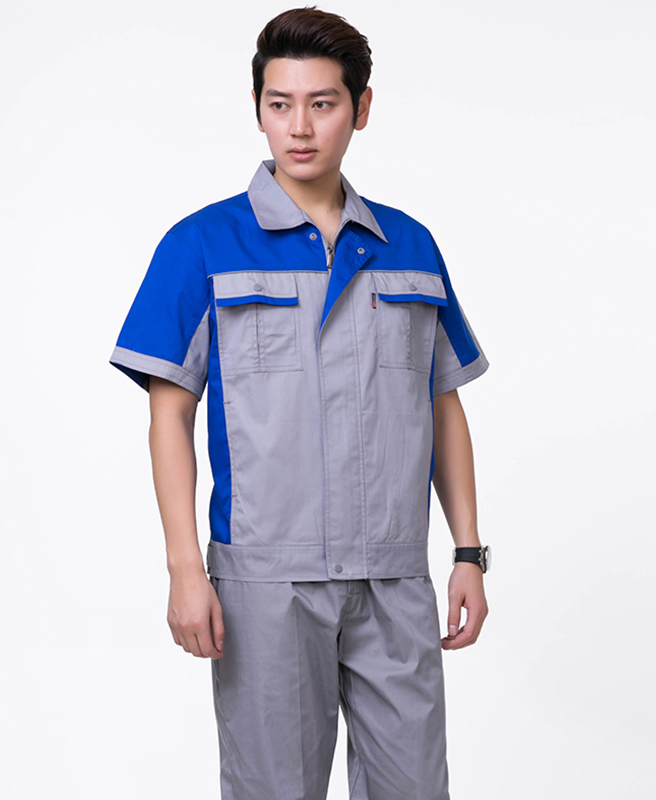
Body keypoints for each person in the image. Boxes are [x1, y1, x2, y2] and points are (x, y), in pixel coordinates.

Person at [109, 7, 491, 799]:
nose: (300, 127)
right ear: (258, 109)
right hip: (265, 585)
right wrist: (185, 569)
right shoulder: (202, 245)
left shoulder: (410, 247)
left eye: (323, 103)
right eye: (280, 104)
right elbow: (169, 414)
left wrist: (467, 553)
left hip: (393, 578)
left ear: (362, 107)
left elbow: (442, 403)